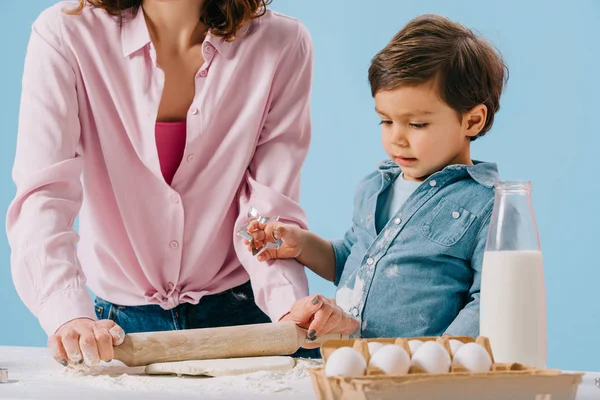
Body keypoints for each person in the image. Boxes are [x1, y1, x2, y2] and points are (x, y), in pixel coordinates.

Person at [6, 0, 357, 367]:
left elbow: (264, 209)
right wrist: (68, 313)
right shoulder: (65, 34)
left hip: (245, 323)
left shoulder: (281, 43)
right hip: (114, 333)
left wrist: (287, 306)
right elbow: (43, 195)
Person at [244, 14, 508, 339]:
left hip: (421, 379)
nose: (397, 138)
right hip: (352, 365)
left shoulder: (487, 205)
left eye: (416, 124)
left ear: (472, 121)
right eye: (386, 121)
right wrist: (300, 245)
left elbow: (489, 301)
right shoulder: (375, 187)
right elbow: (351, 261)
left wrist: (439, 358)